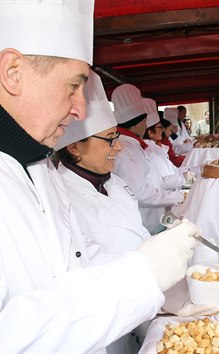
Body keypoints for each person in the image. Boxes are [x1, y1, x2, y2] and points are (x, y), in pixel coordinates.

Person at [0, 1, 199, 352]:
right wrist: (138, 279)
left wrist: (161, 293)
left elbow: (74, 262)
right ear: (12, 71)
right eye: (73, 87)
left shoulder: (34, 160)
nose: (80, 109)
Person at [55, 71, 150, 255]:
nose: (119, 147)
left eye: (116, 136)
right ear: (74, 147)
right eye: (109, 139)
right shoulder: (62, 200)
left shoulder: (115, 182)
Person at [111, 84, 185, 234]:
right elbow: (140, 193)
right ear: (138, 123)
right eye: (145, 122)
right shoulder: (127, 150)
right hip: (145, 222)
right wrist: (177, 196)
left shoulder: (133, 146)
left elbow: (154, 181)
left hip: (153, 216)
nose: (145, 126)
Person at [142, 98, 186, 191]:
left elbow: (173, 170)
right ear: (150, 132)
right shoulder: (148, 151)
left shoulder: (157, 147)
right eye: (160, 127)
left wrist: (199, 170)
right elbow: (161, 182)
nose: (162, 130)